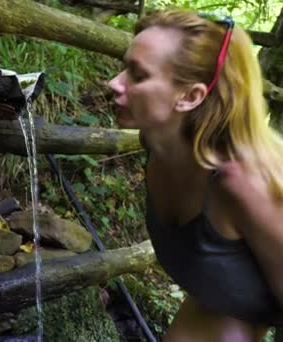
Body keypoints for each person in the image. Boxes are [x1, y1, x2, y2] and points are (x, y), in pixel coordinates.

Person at [108, 9, 283, 341]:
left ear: (190, 97)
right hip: (224, 307)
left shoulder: (242, 183)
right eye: (123, 66)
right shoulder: (157, 143)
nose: (114, 82)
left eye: (138, 75)